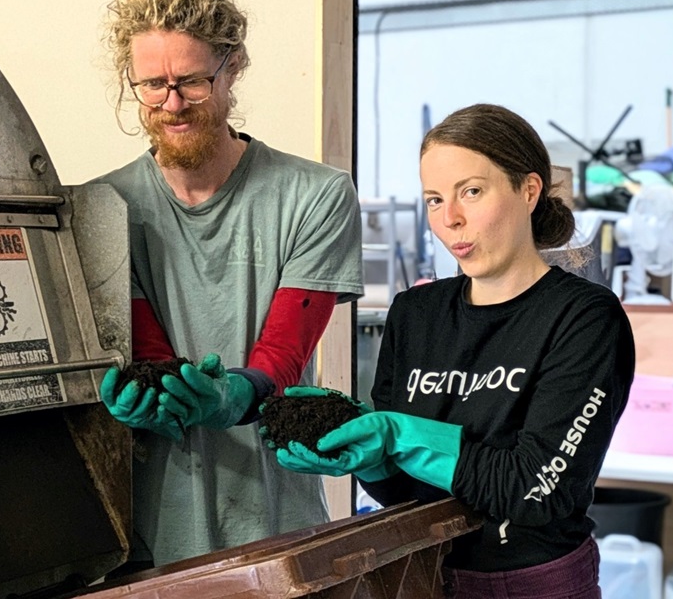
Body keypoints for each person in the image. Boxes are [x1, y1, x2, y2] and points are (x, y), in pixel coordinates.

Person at [266, 103, 635, 598]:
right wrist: (369, 456)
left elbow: (537, 489)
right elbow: (402, 493)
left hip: (530, 582)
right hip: (417, 573)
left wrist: (401, 434)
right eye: (435, 200)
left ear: (528, 191)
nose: (451, 219)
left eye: (472, 192)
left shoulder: (584, 318)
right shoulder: (414, 313)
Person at [89, 0, 364, 569]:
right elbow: (150, 358)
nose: (171, 103)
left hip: (274, 526)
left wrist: (229, 396)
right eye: (151, 85)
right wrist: (148, 397)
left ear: (232, 67)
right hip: (147, 538)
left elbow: (283, 358)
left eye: (191, 81)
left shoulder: (313, 196)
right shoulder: (103, 207)